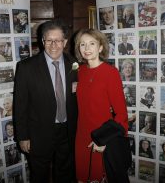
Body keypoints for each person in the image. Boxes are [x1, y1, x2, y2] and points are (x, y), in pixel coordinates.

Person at [13, 19, 78, 183]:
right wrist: (23, 136)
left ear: (65, 42)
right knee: (39, 175)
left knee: (66, 173)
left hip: (68, 132)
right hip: (38, 134)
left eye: (58, 40)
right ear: (43, 42)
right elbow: (20, 105)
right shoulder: (26, 67)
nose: (54, 45)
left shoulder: (75, 64)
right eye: (49, 40)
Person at [74, 28, 129, 183]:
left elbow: (121, 113)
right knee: (83, 177)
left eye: (92, 43)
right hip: (81, 135)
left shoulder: (110, 73)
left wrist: (104, 140)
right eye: (82, 44)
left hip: (101, 136)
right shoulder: (80, 71)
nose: (87, 48)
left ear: (100, 47)